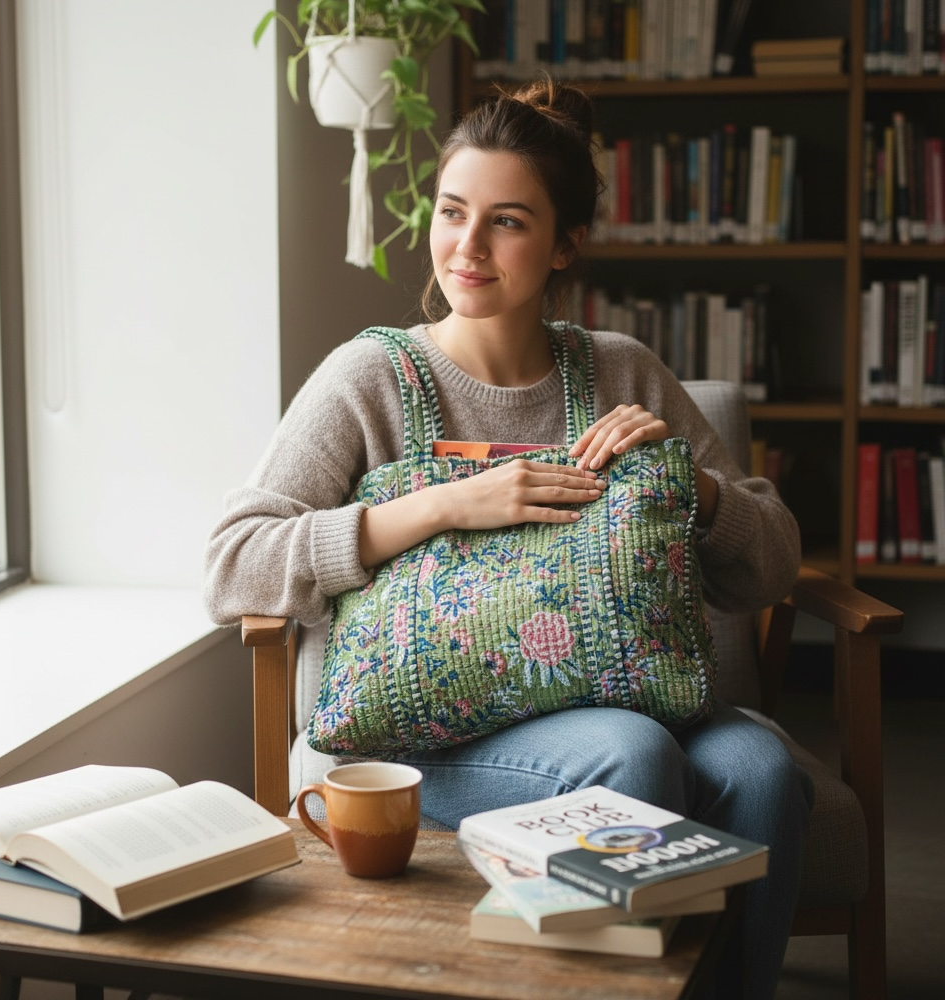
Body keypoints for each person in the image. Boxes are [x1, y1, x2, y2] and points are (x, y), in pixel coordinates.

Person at [204, 78, 811, 999]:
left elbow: (769, 565)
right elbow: (231, 565)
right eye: (453, 213)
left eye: (508, 222)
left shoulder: (622, 372)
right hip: (420, 731)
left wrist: (698, 492)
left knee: (764, 769)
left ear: (566, 243)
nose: (467, 247)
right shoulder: (369, 376)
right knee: (633, 754)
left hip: (629, 699)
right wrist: (443, 506)